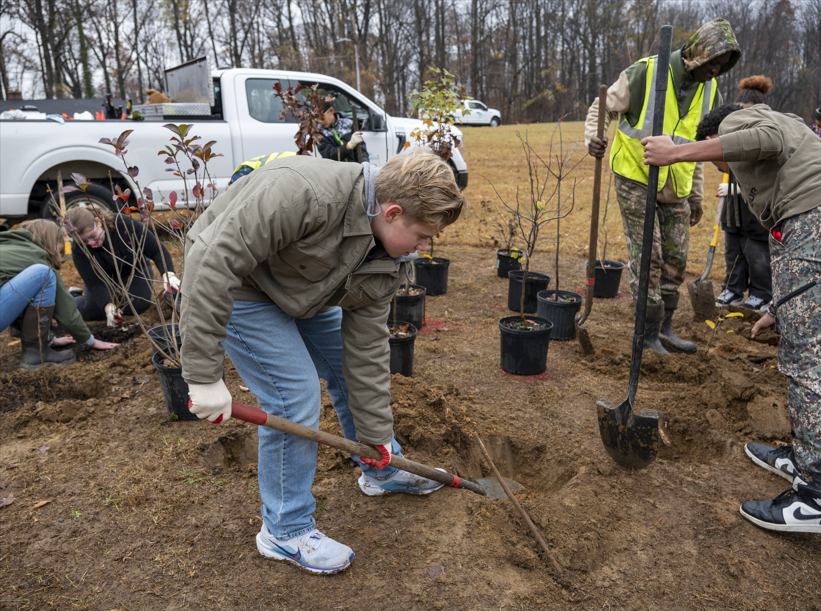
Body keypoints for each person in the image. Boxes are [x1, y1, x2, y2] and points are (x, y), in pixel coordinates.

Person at [180, 149, 465, 573]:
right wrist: (202, 376)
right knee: (293, 396)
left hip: (301, 291)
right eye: (424, 235)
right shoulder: (303, 193)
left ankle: (381, 471)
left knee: (346, 369)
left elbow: (365, 350)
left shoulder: (389, 256)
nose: (425, 248)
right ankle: (284, 529)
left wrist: (377, 439)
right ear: (392, 212)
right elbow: (213, 261)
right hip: (238, 285)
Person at [641, 103, 821, 534]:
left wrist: (679, 152)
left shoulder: (744, 122)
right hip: (807, 230)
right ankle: (806, 456)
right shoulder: (788, 134)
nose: (725, 169)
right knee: (807, 348)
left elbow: (764, 141)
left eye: (718, 159)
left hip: (810, 223)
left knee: (806, 362)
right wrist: (779, 308)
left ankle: (814, 495)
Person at [585, 18, 741, 355]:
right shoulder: (646, 73)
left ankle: (666, 327)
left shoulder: (711, 90)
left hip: (677, 186)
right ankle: (647, 332)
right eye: (713, 61)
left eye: (722, 65)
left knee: (677, 258)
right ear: (696, 53)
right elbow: (604, 106)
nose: (716, 70)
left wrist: (696, 194)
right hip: (635, 177)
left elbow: (697, 145)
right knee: (649, 258)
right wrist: (594, 138)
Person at [0, 220, 119, 370]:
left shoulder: (10, 248)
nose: (60, 253)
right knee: (44, 274)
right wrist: (90, 341)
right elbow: (67, 311)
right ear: (51, 241)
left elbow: (14, 298)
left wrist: (49, 338)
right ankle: (36, 353)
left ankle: (36, 345)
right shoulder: (36, 257)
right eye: (59, 248)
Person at [714, 76, 773, 311]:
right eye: (739, 112)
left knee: (756, 255)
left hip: (756, 211)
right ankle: (733, 289)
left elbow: (769, 176)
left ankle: (761, 293)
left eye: (747, 112)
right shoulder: (733, 134)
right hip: (733, 211)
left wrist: (737, 188)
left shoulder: (768, 135)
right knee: (733, 251)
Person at [65, 207, 180, 327]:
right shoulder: (79, 250)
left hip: (134, 270)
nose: (91, 243)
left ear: (98, 222)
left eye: (93, 235)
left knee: (138, 304)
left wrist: (168, 275)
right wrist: (108, 306)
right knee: (94, 310)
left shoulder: (123, 224)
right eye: (84, 241)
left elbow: (156, 250)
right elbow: (95, 283)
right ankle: (74, 296)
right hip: (103, 279)